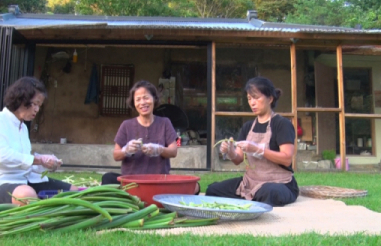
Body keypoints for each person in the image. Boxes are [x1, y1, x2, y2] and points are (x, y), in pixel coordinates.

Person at [0, 77, 78, 205]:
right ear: (21, 99)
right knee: (27, 195)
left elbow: (25, 163)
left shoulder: (23, 127)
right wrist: (39, 159)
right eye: (35, 104)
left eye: (39, 105)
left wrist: (46, 164)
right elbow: (3, 157)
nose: (37, 109)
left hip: (24, 181)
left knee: (74, 191)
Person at [206, 76, 298, 206]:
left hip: (279, 182)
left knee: (269, 193)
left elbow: (287, 158)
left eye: (256, 98)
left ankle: (252, 201)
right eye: (249, 99)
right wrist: (230, 151)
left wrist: (258, 149)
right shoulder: (248, 127)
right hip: (250, 182)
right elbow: (238, 159)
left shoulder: (282, 124)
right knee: (213, 190)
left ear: (270, 99)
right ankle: (251, 199)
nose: (252, 103)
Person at [101, 80, 200, 193]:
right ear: (134, 103)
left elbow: (173, 151)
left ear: (154, 99)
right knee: (107, 178)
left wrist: (159, 149)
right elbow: (116, 155)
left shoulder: (165, 123)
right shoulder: (126, 125)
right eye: (138, 99)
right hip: (131, 183)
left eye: (146, 98)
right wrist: (126, 150)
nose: (142, 102)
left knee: (195, 187)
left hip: (158, 182)